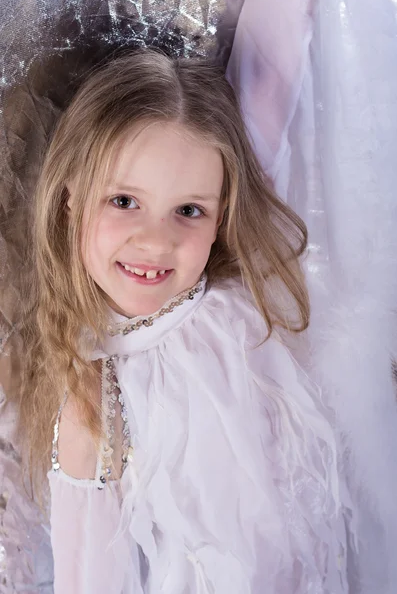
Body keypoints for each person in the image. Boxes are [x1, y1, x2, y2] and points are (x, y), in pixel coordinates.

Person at [15, 48, 347, 593]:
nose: (156, 240)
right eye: (124, 200)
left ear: (221, 217)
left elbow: (277, 60)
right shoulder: (92, 405)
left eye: (188, 211)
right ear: (71, 198)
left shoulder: (246, 314)